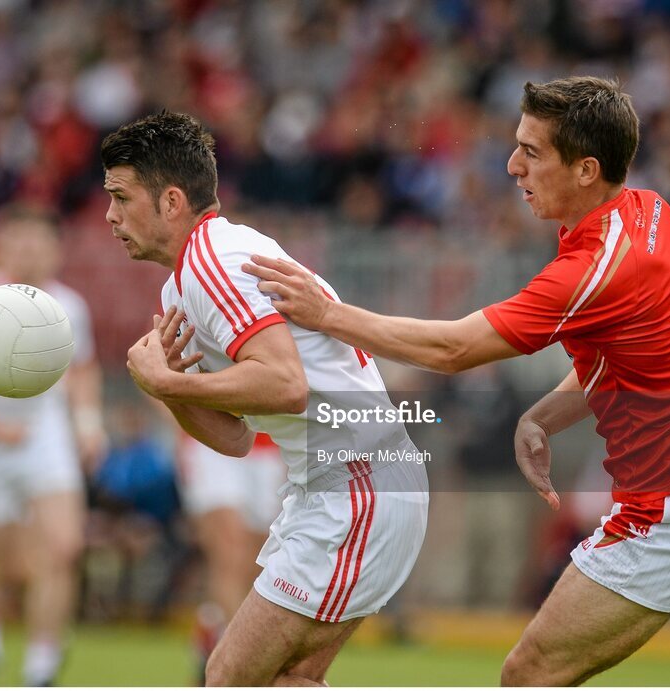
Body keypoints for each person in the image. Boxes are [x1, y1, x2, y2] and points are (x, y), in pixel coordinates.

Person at [242, 76, 670, 686]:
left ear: (586, 170)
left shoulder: (595, 268)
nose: (512, 166)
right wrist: (543, 415)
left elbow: (453, 348)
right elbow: (622, 356)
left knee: (530, 674)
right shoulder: (649, 209)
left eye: (532, 152)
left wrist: (328, 315)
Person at [100, 111, 429, 687]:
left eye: (122, 198)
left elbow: (285, 385)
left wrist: (170, 385)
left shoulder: (213, 262)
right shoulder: (185, 282)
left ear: (171, 201)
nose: (110, 215)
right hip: (342, 485)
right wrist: (171, 391)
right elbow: (235, 437)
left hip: (357, 484)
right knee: (285, 679)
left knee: (229, 676)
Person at [0, 207, 106, 686]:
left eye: (39, 241)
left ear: (56, 249)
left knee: (65, 545)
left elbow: (83, 370)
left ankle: (42, 660)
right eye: (20, 240)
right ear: (4, 245)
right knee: (5, 559)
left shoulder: (71, 306)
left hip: (43, 434)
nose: (29, 250)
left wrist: (88, 425)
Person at [176, 431, 284, 681]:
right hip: (212, 437)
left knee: (259, 562)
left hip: (269, 445)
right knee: (230, 550)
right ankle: (243, 666)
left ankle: (211, 628)